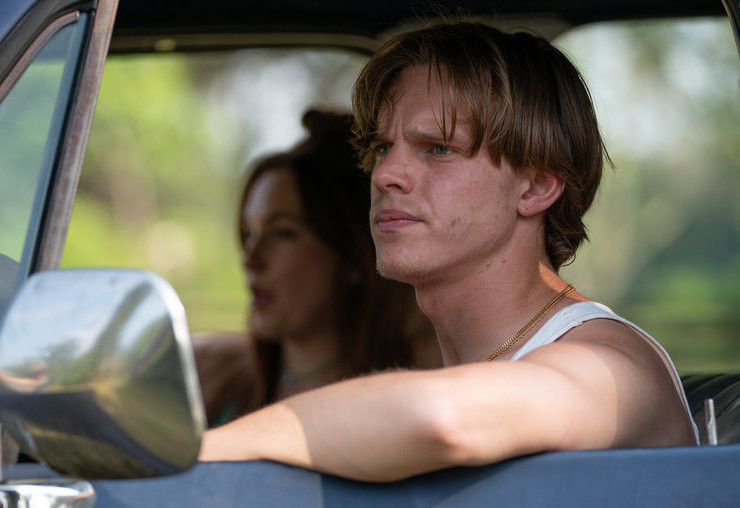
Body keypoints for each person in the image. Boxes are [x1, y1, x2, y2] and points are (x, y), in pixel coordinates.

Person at [199, 21, 698, 481]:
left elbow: (439, 420)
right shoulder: (456, 367)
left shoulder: (609, 367)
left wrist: (201, 455)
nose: (385, 175)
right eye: (382, 148)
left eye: (438, 149)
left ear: (536, 187)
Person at [194, 109, 439, 426]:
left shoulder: (414, 395)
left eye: (283, 233)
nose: (250, 258)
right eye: (249, 233)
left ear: (351, 256)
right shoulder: (218, 378)